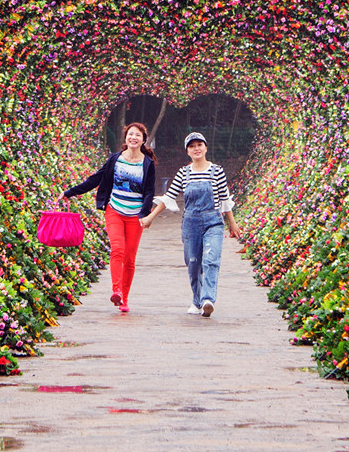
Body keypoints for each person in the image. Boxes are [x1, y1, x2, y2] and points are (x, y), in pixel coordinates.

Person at [143, 131, 241, 318]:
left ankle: (208, 300)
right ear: (187, 151)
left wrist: (232, 224)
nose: (196, 149)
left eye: (199, 145)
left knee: (211, 260)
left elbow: (225, 199)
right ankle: (197, 301)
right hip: (191, 223)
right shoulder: (184, 173)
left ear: (205, 148)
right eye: (192, 146)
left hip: (213, 221)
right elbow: (169, 197)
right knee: (193, 262)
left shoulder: (217, 171)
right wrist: (150, 217)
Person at [62, 121, 156, 313]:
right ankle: (116, 291)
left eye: (138, 135)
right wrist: (69, 192)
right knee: (117, 249)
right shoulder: (115, 159)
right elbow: (95, 179)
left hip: (135, 215)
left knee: (129, 258)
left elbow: (149, 192)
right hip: (114, 210)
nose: (133, 137)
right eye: (130, 134)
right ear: (125, 137)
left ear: (143, 140)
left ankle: (125, 298)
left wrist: (145, 214)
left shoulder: (148, 164)